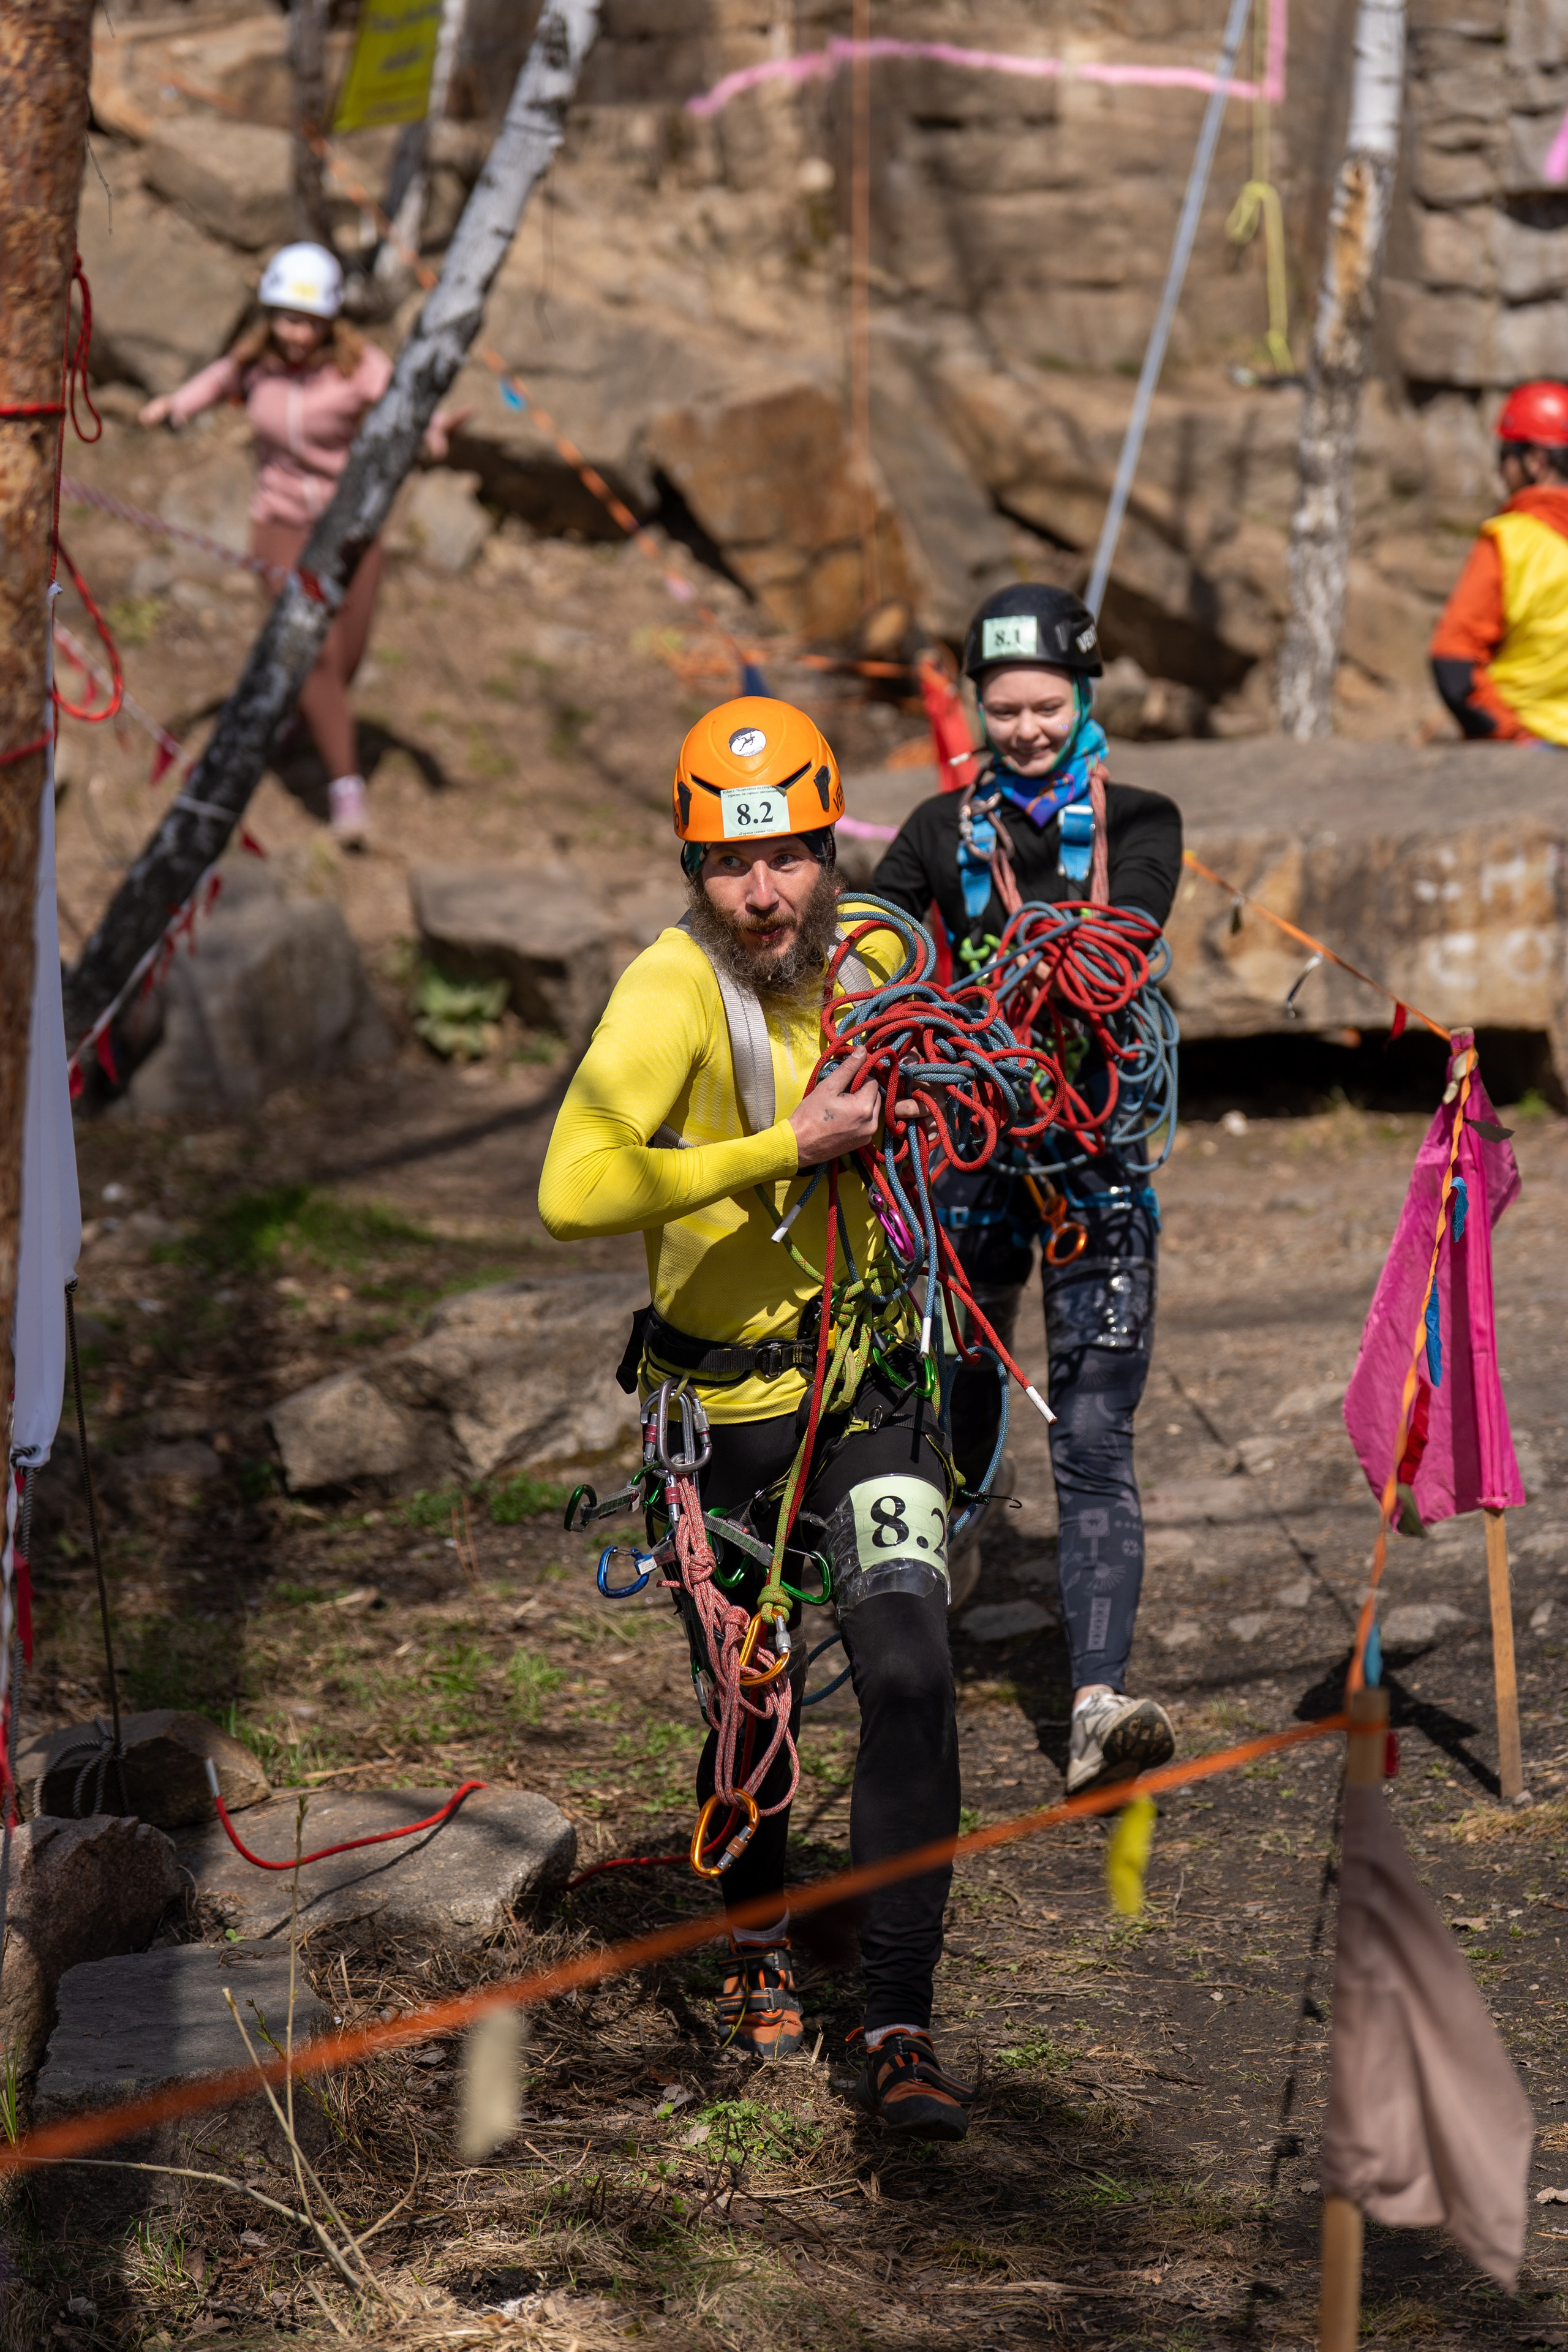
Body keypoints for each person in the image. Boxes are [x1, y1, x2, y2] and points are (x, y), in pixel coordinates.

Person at [539, 696, 976, 2139]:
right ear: (694, 870)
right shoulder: (669, 991)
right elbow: (571, 1187)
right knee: (751, 1696)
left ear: (825, 851)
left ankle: (898, 2018)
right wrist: (783, 1146)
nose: (764, 892)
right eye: (731, 866)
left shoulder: (868, 961)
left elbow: (956, 992)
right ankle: (757, 1941)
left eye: (786, 856)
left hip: (869, 1391)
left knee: (909, 1669)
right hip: (721, 1417)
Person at [871, 584, 1182, 1799]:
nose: (1026, 729)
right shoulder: (933, 830)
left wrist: (1008, 965)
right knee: (945, 1407)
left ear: (1085, 696)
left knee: (1094, 1434)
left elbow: (1122, 939)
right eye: (1003, 710)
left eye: (1046, 705)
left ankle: (1096, 1705)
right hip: (966, 1164)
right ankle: (921, 1630)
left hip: (1096, 1166)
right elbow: (870, 943)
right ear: (975, 709)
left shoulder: (1141, 820)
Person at [138, 241, 467, 846]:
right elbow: (216, 380)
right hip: (280, 524)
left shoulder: (357, 365)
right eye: (287, 319)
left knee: (346, 658)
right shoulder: (255, 363)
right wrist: (174, 406)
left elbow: (404, 405)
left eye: (309, 321)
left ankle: (297, 715)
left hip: (352, 527)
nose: (296, 334)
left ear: (330, 320)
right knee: (313, 649)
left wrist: (434, 431)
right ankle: (346, 790)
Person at [1430, 380, 1568, 747]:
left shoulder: (1509, 541)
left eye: (1504, 455)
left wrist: (1512, 736)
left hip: (1530, 745)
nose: (1499, 470)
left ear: (1535, 460)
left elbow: (1453, 662)